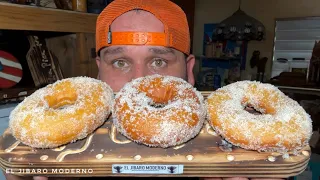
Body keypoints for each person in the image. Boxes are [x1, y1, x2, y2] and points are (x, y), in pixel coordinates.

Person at [4, 0, 284, 180]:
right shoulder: (63, 160)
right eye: (121, 61)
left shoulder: (224, 155)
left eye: (159, 61)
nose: (138, 81)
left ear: (189, 71)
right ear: (98, 70)